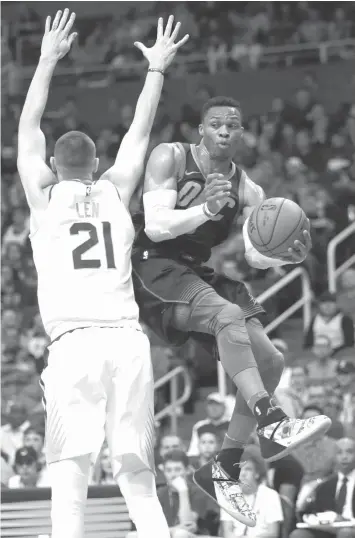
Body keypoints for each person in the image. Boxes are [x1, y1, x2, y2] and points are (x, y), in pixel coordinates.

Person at [17, 9, 188, 538]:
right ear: (95, 164)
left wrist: (46, 60)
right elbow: (140, 131)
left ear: (55, 166)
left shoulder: (43, 198)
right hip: (127, 341)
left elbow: (27, 129)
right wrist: (156, 69)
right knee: (137, 472)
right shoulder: (116, 191)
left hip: (75, 343)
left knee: (71, 472)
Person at [132, 95, 331, 524]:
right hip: (154, 267)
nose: (224, 130)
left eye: (233, 125)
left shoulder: (248, 188)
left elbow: (255, 254)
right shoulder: (171, 156)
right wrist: (204, 208)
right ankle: (270, 418)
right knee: (226, 315)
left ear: (241, 134)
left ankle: (223, 464)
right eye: (216, 124)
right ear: (201, 130)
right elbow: (155, 225)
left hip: (198, 273)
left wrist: (285, 257)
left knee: (271, 361)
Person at [290, 437, 355, 538]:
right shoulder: (325, 485)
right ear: (334, 457)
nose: (344, 457)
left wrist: (346, 520)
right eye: (339, 453)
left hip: (351, 529)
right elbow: (316, 512)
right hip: (330, 529)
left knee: (345, 533)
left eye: (349, 452)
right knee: (298, 535)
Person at [220, 446, 284, 537]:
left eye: (248, 469)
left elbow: (273, 534)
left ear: (257, 473)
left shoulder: (270, 495)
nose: (243, 474)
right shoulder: (228, 495)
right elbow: (227, 532)